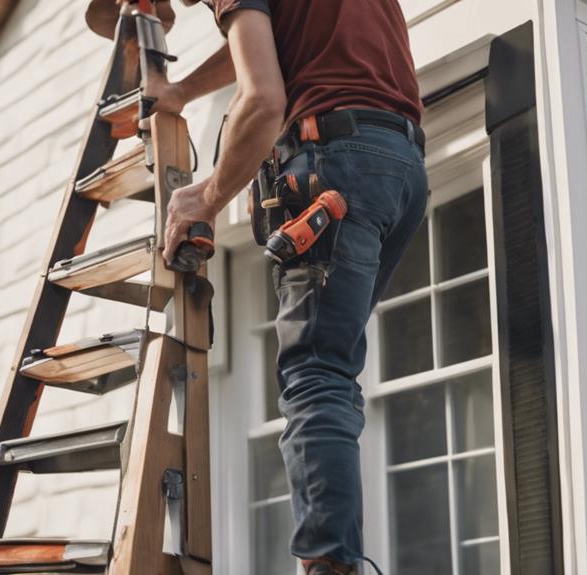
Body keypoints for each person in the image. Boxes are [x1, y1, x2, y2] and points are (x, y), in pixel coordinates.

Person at [153, 1, 428, 573]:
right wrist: (179, 92)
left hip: (334, 166)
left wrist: (206, 197)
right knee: (333, 369)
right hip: (399, 165)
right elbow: (265, 45)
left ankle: (329, 562)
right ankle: (337, 550)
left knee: (316, 373)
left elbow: (263, 99)